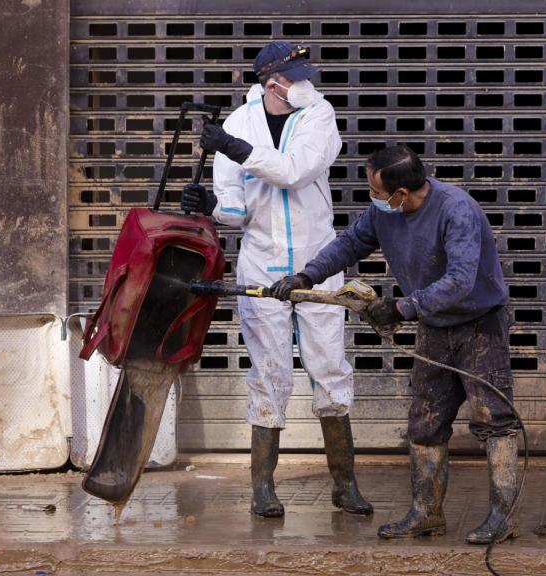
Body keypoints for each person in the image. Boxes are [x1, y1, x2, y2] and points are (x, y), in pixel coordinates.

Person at [272, 145, 521, 544]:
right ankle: (426, 514)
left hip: (480, 325)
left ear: (401, 193)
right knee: (424, 424)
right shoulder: (382, 213)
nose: (372, 198)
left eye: (376, 190)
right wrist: (307, 276)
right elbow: (349, 244)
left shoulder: (457, 210)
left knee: (495, 422)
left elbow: (459, 280)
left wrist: (403, 308)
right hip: (435, 328)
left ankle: (502, 517)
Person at [181, 40, 371, 518]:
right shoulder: (237, 125)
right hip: (261, 264)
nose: (306, 84)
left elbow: (294, 173)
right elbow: (236, 209)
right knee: (269, 374)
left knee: (329, 368)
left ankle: (343, 484)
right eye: (296, 76)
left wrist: (238, 150)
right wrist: (211, 208)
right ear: (273, 83)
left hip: (318, 262)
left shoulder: (319, 116)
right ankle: (262, 488)